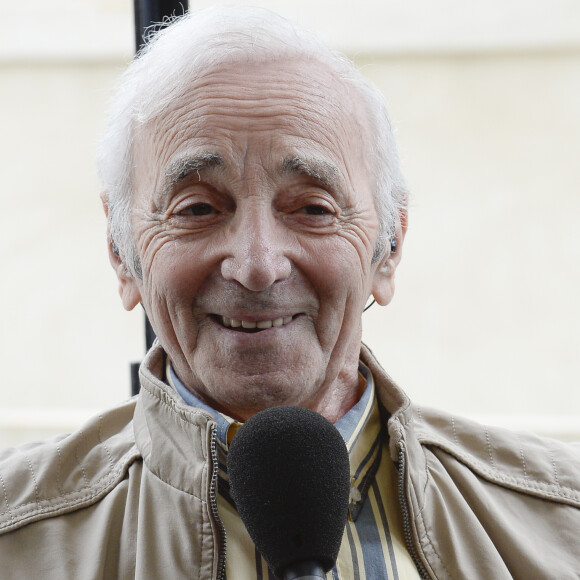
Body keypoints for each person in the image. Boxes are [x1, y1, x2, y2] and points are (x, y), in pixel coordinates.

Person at [0, 6, 578, 579]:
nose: (257, 265)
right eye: (198, 208)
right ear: (121, 252)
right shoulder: (17, 539)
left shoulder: (560, 527)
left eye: (311, 208)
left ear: (390, 246)